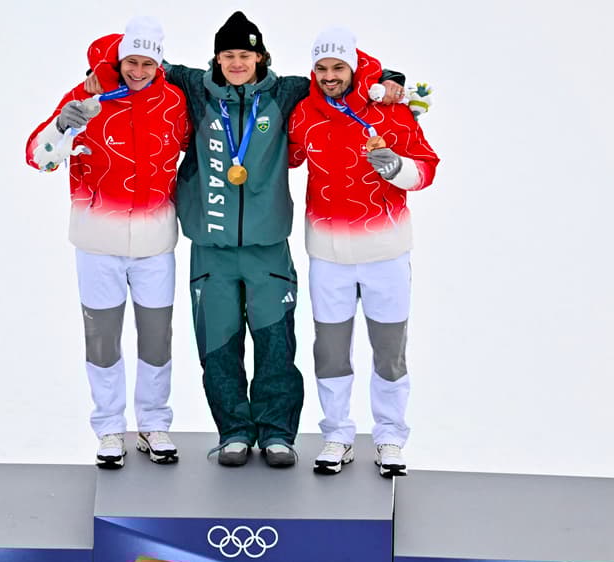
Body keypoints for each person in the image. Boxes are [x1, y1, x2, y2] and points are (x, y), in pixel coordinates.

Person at [84, 11, 406, 468]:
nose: (237, 62)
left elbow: (340, 77)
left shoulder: (287, 91)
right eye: (229, 54)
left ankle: (277, 434)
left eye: (246, 54)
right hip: (211, 249)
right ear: (217, 57)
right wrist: (98, 72)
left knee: (276, 344)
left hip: (268, 246)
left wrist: (385, 77)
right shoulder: (193, 88)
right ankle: (233, 431)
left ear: (260, 57)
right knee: (218, 346)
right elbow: (138, 62)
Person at [25, 17, 191, 470]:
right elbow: (38, 159)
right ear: (119, 60)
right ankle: (110, 428)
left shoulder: (173, 101)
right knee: (103, 339)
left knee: (157, 338)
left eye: (147, 63)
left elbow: (195, 151)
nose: (138, 71)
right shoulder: (85, 99)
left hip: (156, 243)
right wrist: (63, 127)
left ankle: (154, 423)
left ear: (159, 64)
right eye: (131, 62)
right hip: (97, 243)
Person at [288, 27, 440, 477]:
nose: (330, 76)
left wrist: (398, 169)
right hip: (328, 255)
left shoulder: (391, 113)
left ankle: (390, 436)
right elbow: (287, 155)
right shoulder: (303, 114)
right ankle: (337, 434)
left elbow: (427, 167)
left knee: (389, 351)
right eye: (322, 68)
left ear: (353, 69)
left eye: (338, 68)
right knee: (330, 352)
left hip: (385, 252)